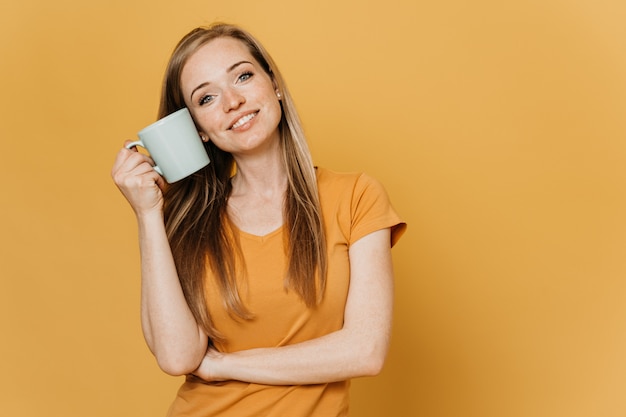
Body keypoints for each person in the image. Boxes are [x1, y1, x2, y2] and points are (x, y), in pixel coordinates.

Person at [111, 22, 406, 417]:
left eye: (244, 76)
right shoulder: (189, 221)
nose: (232, 101)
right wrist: (148, 214)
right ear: (197, 129)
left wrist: (224, 364)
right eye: (207, 98)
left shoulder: (355, 196)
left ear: (274, 85)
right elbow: (178, 356)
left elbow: (365, 351)